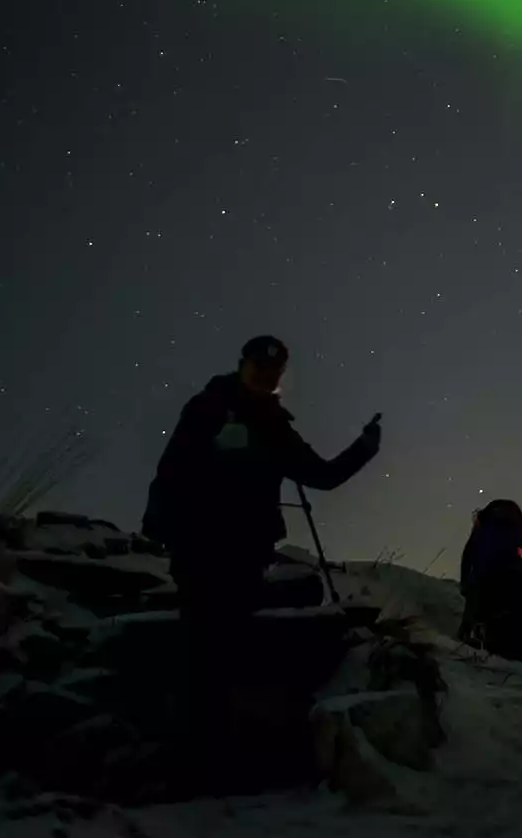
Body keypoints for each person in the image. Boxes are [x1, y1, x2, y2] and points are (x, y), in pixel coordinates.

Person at [142, 335, 382, 792]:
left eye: (274, 370)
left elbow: (321, 475)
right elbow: (172, 467)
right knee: (205, 642)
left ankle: (209, 757)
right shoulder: (210, 406)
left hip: (244, 551)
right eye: (258, 365)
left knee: (221, 644)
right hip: (200, 542)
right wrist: (163, 523)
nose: (266, 374)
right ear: (243, 364)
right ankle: (195, 759)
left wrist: (364, 448)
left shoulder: (274, 424)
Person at [458, 499, 522, 662]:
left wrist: (467, 590)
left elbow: (468, 563)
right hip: (515, 596)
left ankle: (477, 635)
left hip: (482, 596)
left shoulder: (481, 534)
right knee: (521, 635)